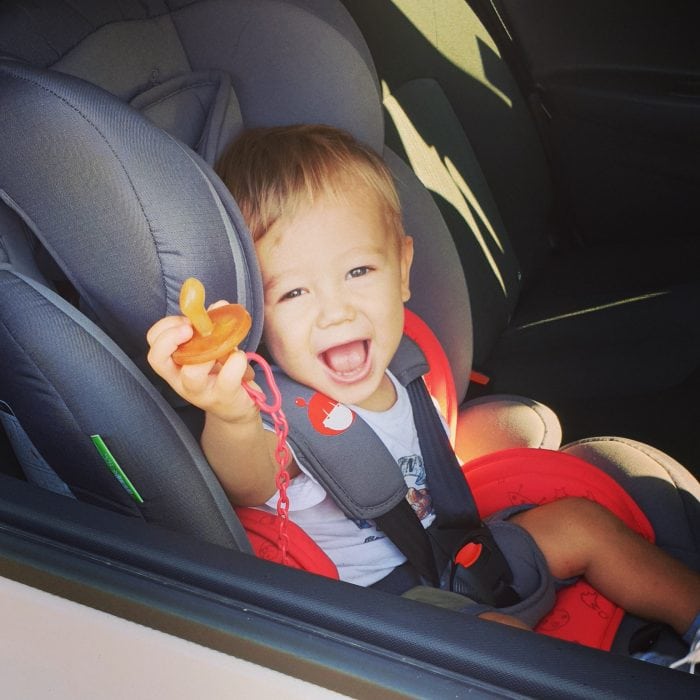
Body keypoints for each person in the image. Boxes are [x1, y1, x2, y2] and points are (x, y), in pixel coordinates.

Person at [147, 124, 700, 653]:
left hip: (457, 551)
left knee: (580, 523)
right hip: (390, 606)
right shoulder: (278, 413)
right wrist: (230, 414)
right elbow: (250, 481)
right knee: (500, 645)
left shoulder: (405, 364)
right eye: (293, 293)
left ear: (403, 269)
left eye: (359, 271)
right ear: (256, 317)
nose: (336, 311)